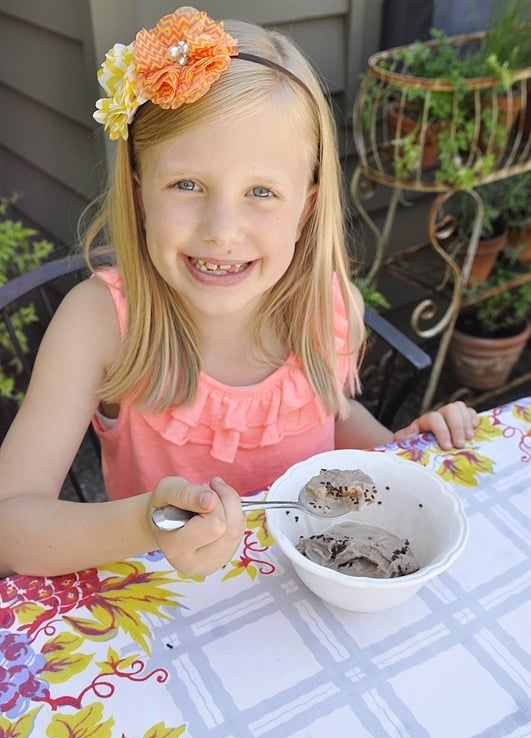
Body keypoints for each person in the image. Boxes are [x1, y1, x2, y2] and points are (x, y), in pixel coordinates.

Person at [0, 7, 477, 579]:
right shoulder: (100, 324)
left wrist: (401, 453)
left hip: (315, 587)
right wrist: (148, 524)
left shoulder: (324, 304)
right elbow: (13, 525)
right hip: (172, 616)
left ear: (307, 206)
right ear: (141, 192)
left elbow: (331, 412)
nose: (221, 229)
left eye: (260, 191)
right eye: (187, 184)